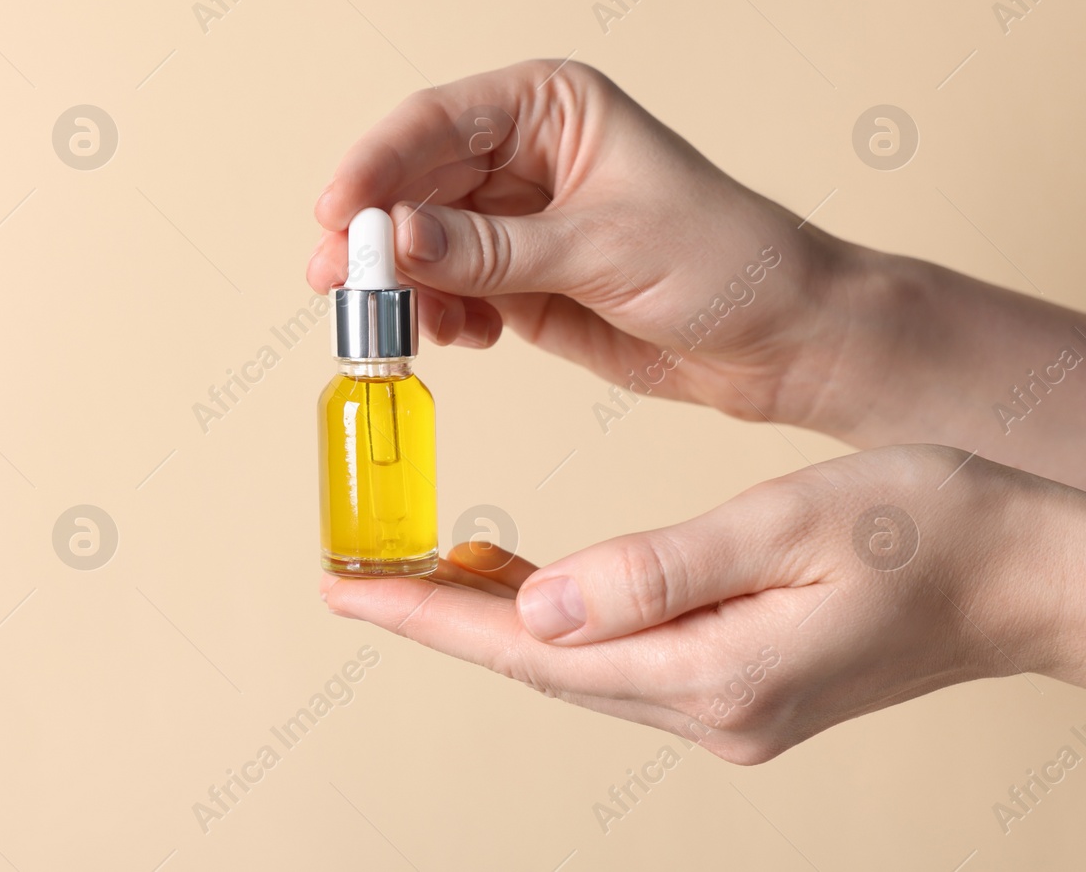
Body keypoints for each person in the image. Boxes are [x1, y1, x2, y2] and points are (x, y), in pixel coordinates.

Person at [306, 59, 1086, 765]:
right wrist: (812, 328)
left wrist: (1015, 577)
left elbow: (1019, 571)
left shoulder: (391, 393)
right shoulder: (355, 394)